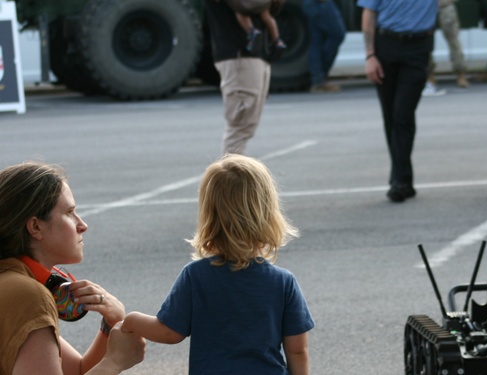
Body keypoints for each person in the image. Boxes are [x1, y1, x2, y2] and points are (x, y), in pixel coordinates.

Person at [122, 154, 315, 375]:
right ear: (268, 213)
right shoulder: (283, 282)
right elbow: (298, 350)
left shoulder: (195, 276)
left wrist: (131, 320)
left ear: (209, 215)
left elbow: (169, 332)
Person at [0, 161, 145, 375]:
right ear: (35, 227)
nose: (82, 225)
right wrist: (115, 362)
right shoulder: (27, 295)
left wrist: (110, 325)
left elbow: (76, 371)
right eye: (69, 212)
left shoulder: (12, 282)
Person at [358, 0, 437, 202]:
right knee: (391, 116)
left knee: (403, 114)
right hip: (386, 46)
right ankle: (403, 180)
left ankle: (399, 181)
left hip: (418, 47)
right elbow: (369, 13)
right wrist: (370, 55)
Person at [205, 0, 277, 155]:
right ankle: (230, 178)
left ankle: (234, 176)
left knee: (246, 127)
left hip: (254, 56)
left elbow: (272, 9)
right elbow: (247, 5)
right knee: (239, 129)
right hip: (239, 57)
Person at [423, 0, 469, 96]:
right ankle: (429, 74)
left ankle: (461, 73)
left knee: (453, 40)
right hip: (426, 7)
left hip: (445, 6)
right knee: (424, 39)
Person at [302, 0, 346, 94]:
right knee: (337, 35)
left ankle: (318, 80)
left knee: (316, 41)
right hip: (321, 3)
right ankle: (320, 78)